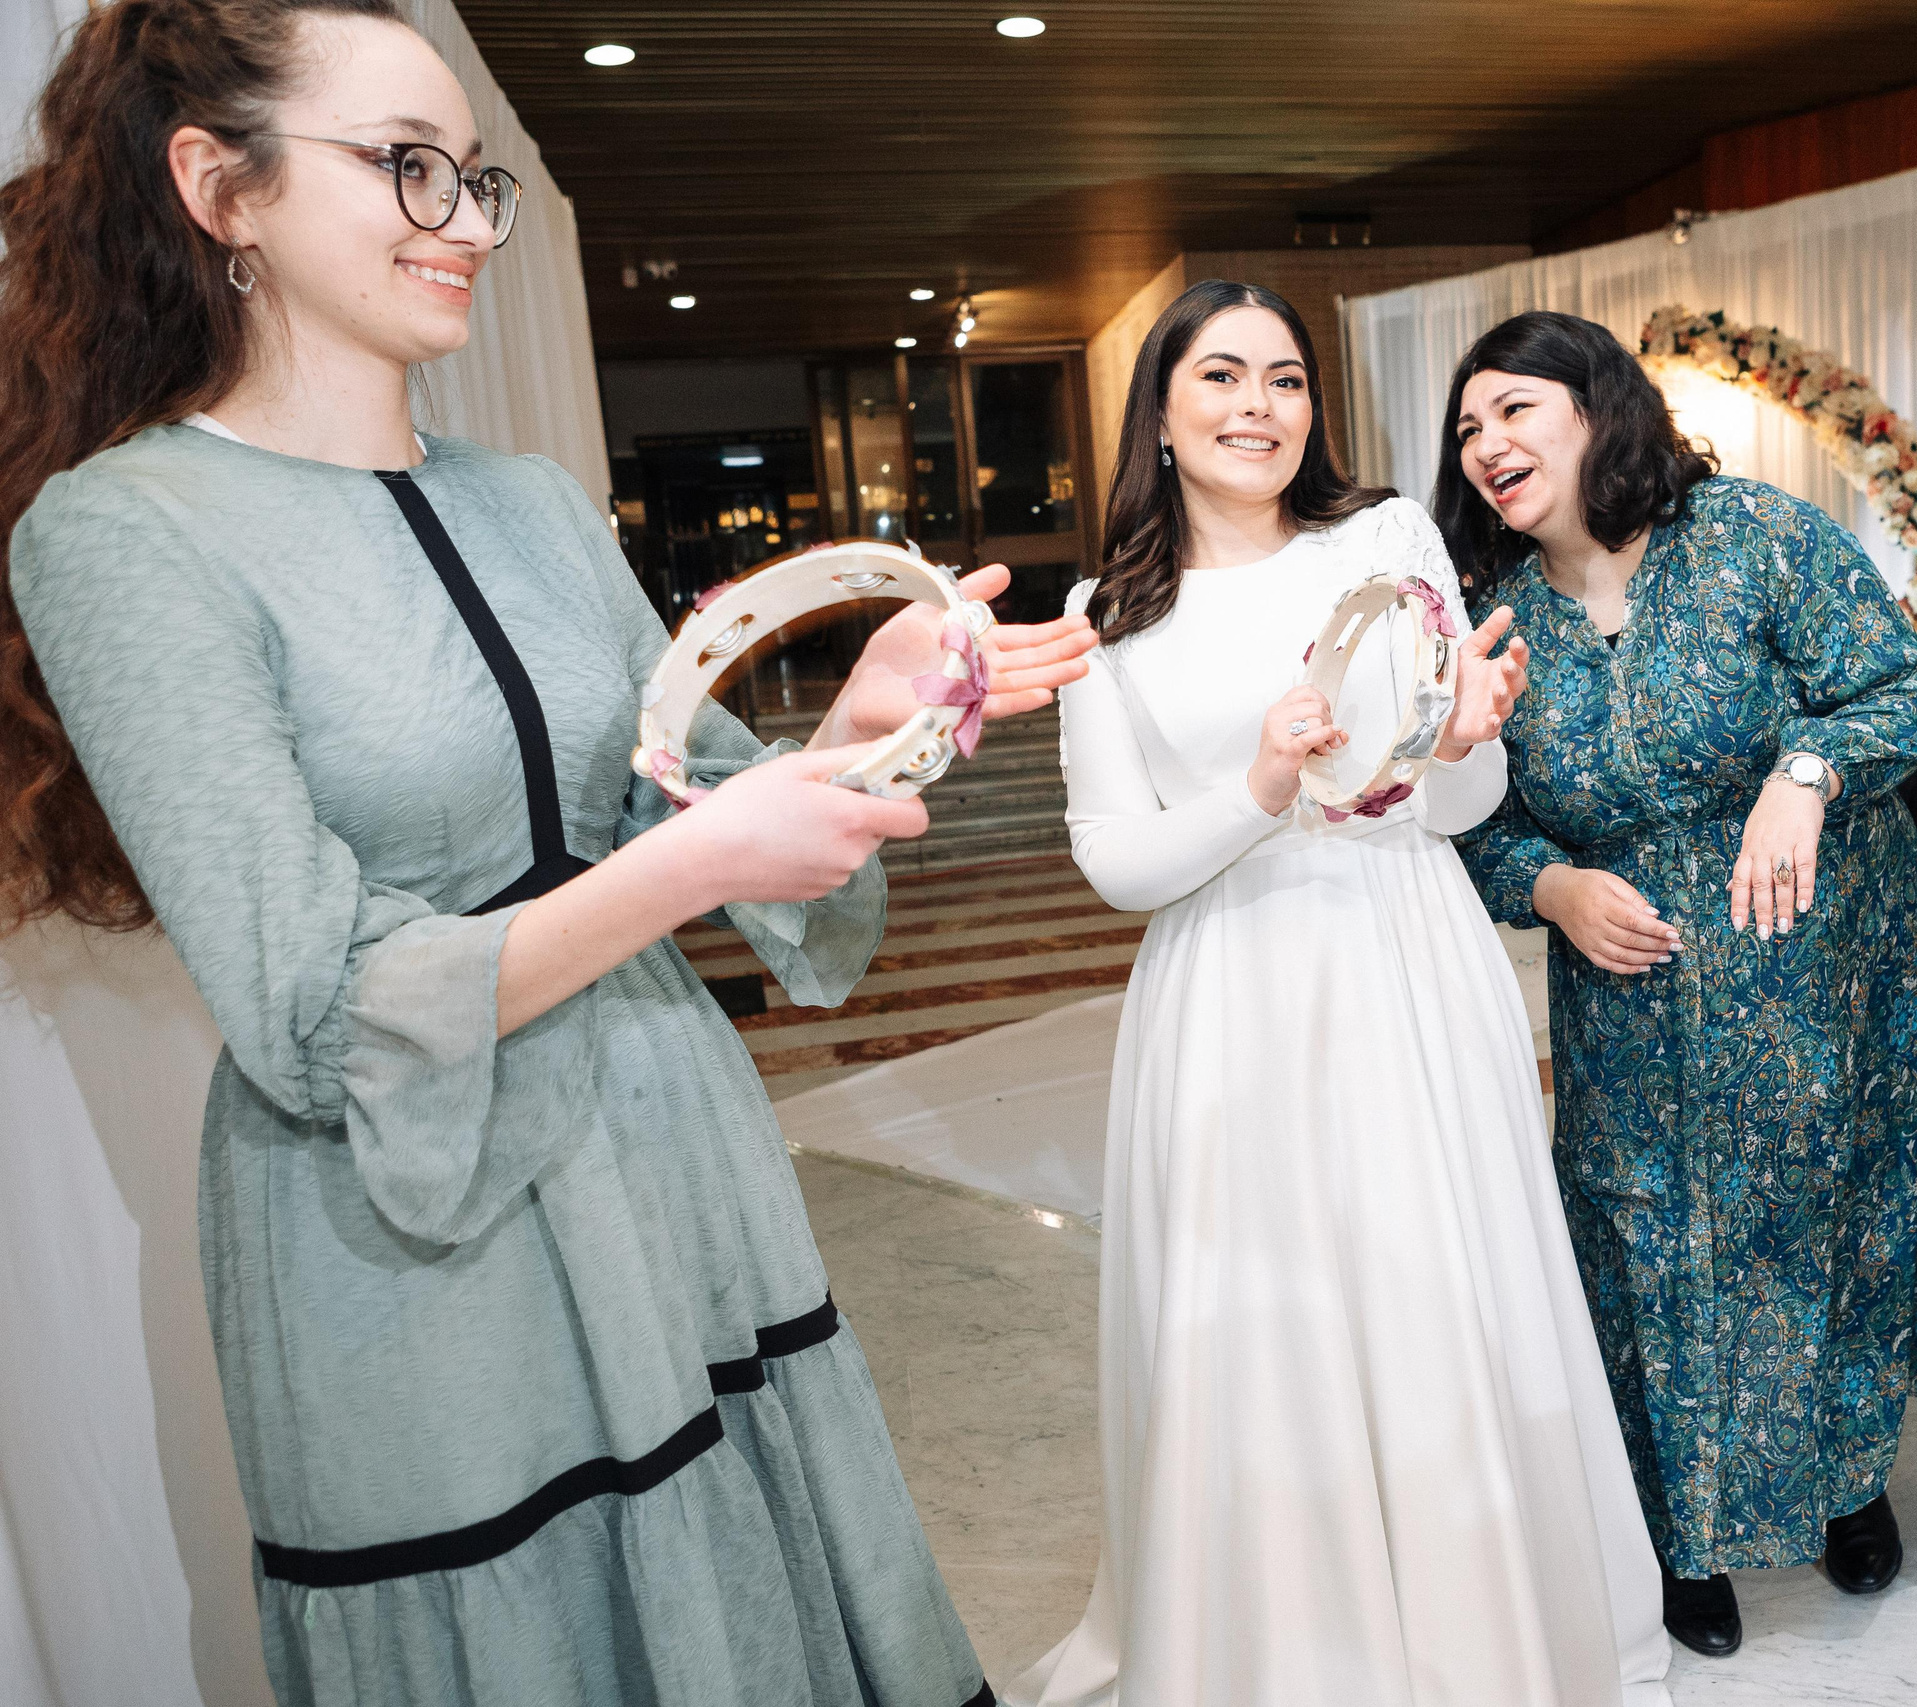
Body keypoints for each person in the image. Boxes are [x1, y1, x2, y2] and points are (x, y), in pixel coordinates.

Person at [0, 4, 1093, 1702]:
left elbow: (690, 801)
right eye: (405, 169)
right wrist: (694, 861)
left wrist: (865, 721)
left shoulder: (529, 502)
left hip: (670, 1150)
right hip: (415, 1247)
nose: (463, 224)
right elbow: (306, 1007)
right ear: (223, 187)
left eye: (476, 179)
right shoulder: (125, 531)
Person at [1008, 280, 1671, 1707]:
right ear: (1164, 417)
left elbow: (1452, 799)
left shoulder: (1383, 540)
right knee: (1267, 1318)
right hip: (1231, 989)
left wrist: (1464, 741)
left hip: (1405, 955)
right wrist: (1255, 791)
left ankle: (1475, 1629)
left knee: (1441, 1285)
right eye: (1224, 379)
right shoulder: (1108, 612)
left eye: (1288, 380)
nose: (1260, 407)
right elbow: (1117, 862)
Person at [1434, 310, 1917, 1658]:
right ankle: (1684, 1527)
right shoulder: (1488, 620)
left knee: (1827, 1215)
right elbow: (1466, 813)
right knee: (1647, 1242)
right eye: (1469, 426)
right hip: (1633, 997)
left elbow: (1908, 690)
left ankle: (1847, 1480)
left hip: (1827, 965)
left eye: (1516, 410)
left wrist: (1805, 772)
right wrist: (1549, 886)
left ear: (1601, 407)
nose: (1490, 444)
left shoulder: (1755, 537)